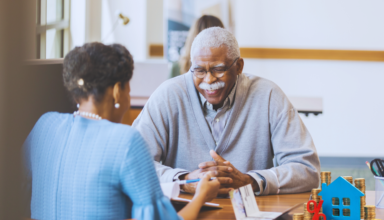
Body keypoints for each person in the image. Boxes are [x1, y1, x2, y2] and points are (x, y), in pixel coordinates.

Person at [23, 42, 220, 220]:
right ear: (118, 91)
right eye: (128, 88)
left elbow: (15, 186)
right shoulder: (126, 141)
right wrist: (201, 195)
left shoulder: (45, 124)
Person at [133, 27, 321, 196]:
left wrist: (250, 181)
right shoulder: (167, 96)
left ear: (239, 66)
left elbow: (307, 170)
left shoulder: (269, 95)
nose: (209, 79)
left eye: (218, 69)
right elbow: (134, 165)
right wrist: (184, 180)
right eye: (199, 70)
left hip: (252, 214)